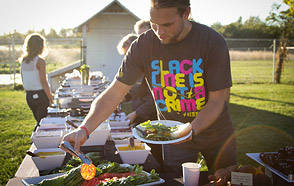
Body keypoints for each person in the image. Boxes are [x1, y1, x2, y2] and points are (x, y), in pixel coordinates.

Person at [61, 0, 236, 178]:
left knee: (227, 179)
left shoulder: (211, 42)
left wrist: (190, 130)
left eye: (167, 24)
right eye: (154, 24)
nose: (159, 32)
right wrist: (84, 129)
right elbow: (114, 93)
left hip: (217, 135)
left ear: (186, 14)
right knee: (175, 181)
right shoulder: (143, 46)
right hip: (172, 137)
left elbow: (217, 101)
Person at [116, 32, 163, 170]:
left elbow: (153, 99)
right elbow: (135, 90)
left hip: (153, 119)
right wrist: (122, 98)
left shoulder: (152, 67)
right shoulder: (136, 67)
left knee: (155, 154)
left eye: (128, 54)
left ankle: (160, 174)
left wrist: (135, 113)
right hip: (142, 117)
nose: (127, 58)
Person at [19, 33, 53, 130]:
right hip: (40, 96)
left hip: (29, 96)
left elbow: (23, 80)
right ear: (41, 46)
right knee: (42, 124)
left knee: (39, 121)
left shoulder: (23, 61)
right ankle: (37, 140)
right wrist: (50, 98)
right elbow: (44, 82)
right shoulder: (40, 61)